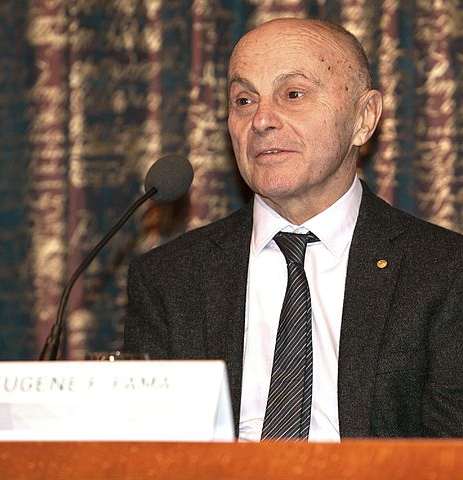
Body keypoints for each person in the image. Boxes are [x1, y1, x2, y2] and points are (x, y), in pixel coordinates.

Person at [124, 18, 463, 440]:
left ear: (364, 118)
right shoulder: (170, 278)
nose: (262, 119)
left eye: (293, 94)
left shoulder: (444, 272)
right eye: (244, 100)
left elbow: (450, 452)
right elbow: (147, 451)